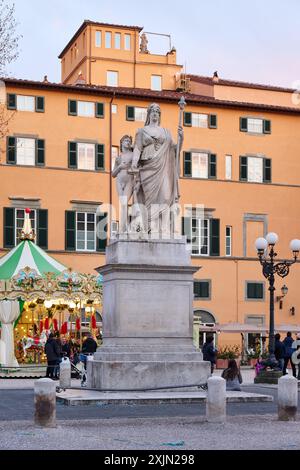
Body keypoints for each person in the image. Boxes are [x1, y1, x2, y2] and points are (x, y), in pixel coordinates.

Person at [131, 102, 184, 234]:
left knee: (166, 196)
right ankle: (149, 228)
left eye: (157, 112)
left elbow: (175, 150)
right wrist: (134, 163)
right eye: (153, 111)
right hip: (147, 167)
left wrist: (181, 138)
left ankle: (163, 229)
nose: (155, 113)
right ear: (149, 114)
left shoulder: (166, 133)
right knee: (150, 200)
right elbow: (137, 149)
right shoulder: (142, 131)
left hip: (163, 167)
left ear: (159, 115)